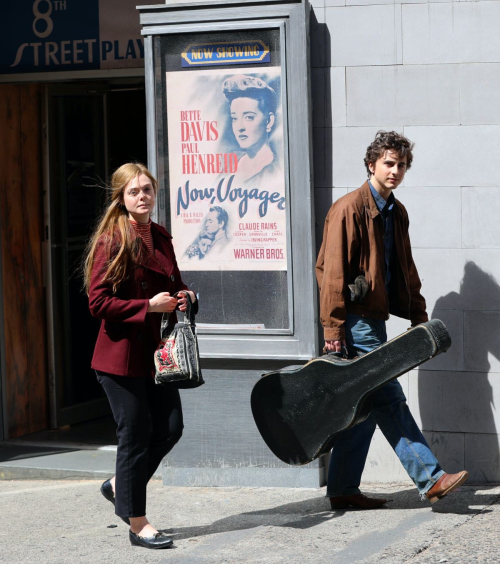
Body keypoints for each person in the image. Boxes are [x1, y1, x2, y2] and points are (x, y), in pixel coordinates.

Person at [316, 131, 468, 510]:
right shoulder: (348, 208)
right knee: (388, 396)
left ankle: (342, 489)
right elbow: (331, 272)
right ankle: (431, 478)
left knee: (363, 404)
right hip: (353, 320)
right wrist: (333, 328)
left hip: (375, 318)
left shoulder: (396, 212)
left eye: (401, 164)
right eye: (388, 162)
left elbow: (406, 270)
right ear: (371, 164)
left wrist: (419, 318)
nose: (395, 170)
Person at [83, 162, 197, 548]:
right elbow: (97, 302)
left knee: (171, 427)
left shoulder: (161, 236)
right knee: (135, 434)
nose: (142, 196)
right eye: (133, 192)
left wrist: (186, 296)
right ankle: (138, 523)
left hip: (155, 355)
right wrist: (146, 306)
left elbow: (174, 281)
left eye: (147, 189)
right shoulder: (112, 241)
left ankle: (120, 485)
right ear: (121, 198)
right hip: (119, 357)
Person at [222, 74, 279, 185]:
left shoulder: (275, 174)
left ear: (269, 121)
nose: (240, 127)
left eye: (249, 117)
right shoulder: (230, 164)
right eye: (235, 118)